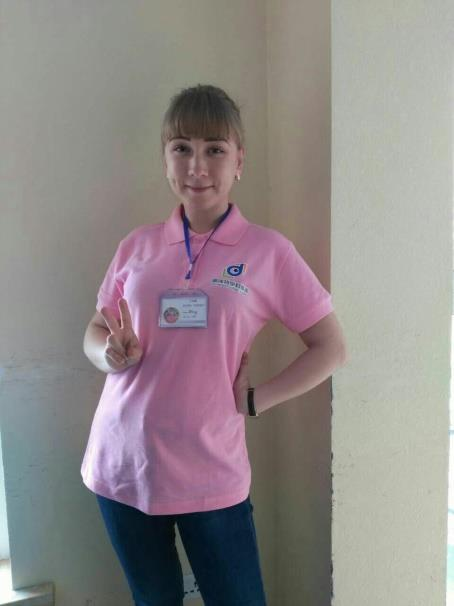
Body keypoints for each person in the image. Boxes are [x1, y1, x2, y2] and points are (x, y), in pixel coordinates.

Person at [81, 83, 347, 606]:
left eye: (214, 149)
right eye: (181, 147)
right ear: (165, 159)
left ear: (239, 160)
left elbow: (331, 347)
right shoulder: (138, 245)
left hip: (210, 473)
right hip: (122, 463)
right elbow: (95, 330)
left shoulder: (268, 251)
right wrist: (108, 353)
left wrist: (255, 400)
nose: (197, 165)